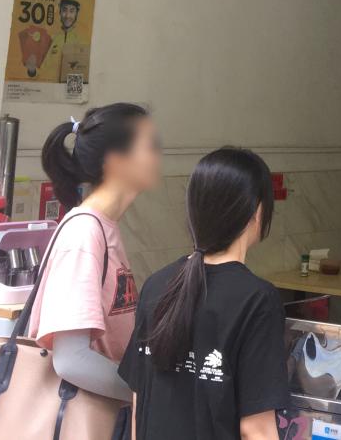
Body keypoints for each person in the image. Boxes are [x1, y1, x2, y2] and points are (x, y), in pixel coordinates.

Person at [119, 147, 288, 440]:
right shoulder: (258, 300)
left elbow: (139, 404)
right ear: (257, 212)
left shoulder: (157, 285)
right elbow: (256, 430)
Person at [29, 103, 162, 405]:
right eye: (150, 146)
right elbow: (71, 360)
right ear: (116, 162)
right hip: (86, 417)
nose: (158, 156)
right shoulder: (84, 234)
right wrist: (148, 397)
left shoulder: (104, 227)